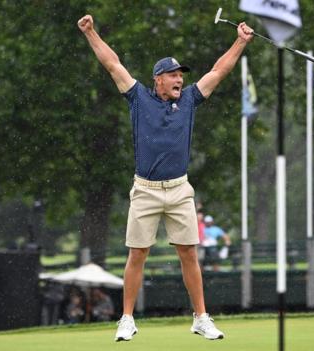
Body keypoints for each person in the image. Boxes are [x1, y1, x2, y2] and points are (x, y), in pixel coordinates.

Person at [78, 14, 253, 341]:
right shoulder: (138, 97)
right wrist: (91, 33)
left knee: (188, 252)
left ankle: (201, 317)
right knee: (138, 253)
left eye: (180, 75)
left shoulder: (189, 100)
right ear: (157, 79)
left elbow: (218, 71)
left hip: (179, 189)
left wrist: (240, 42)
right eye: (173, 75)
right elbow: (112, 64)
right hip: (145, 189)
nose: (179, 80)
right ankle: (126, 318)